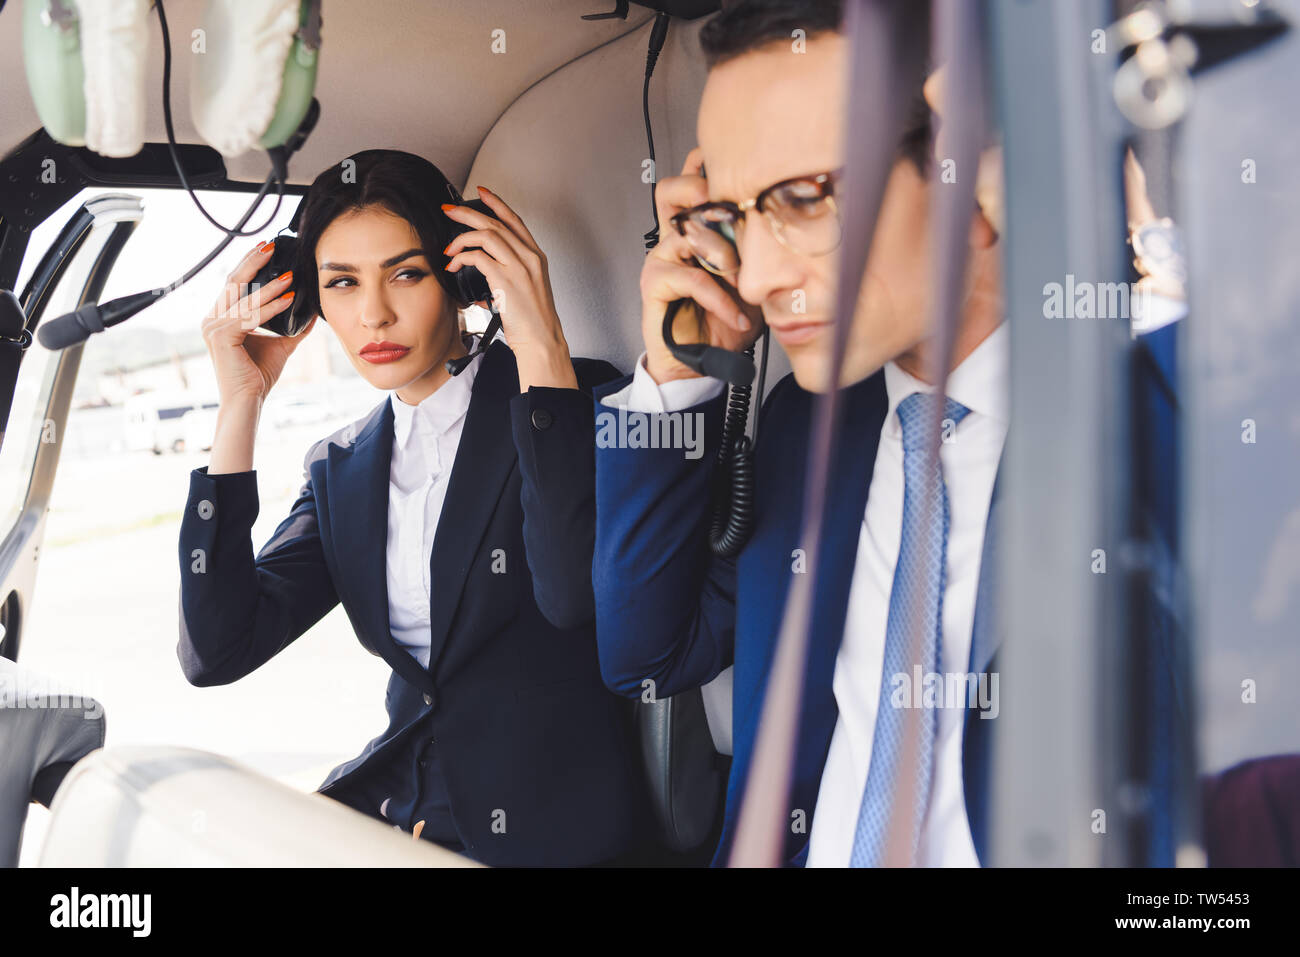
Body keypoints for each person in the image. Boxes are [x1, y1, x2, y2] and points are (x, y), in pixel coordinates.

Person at [592, 0, 1006, 867]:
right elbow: (648, 655)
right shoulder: (803, 429)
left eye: (805, 198)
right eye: (735, 216)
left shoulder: (1154, 430)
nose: (759, 273)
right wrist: (677, 372)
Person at [177, 149, 643, 867]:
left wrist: (541, 342)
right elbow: (215, 649)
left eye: (406, 272)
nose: (375, 313)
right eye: (341, 283)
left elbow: (572, 595)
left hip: (545, 834)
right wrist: (240, 404)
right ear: (311, 302)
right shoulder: (341, 468)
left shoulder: (568, 403)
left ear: (461, 278)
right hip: (389, 819)